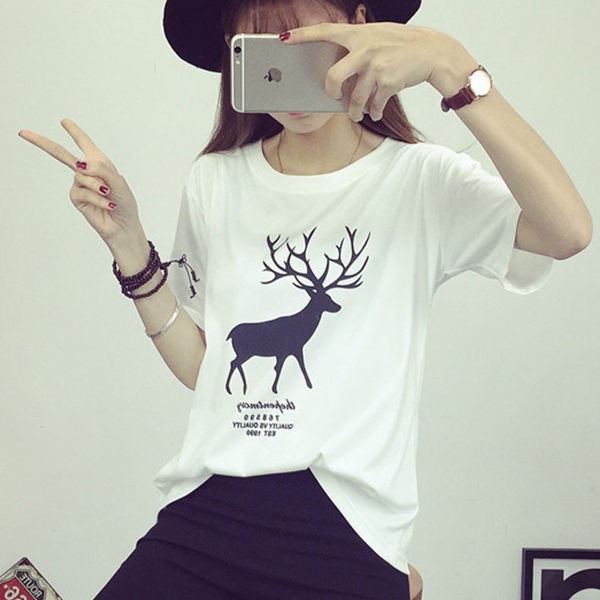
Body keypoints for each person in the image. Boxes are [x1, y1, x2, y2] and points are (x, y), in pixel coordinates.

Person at [18, 0, 591, 598]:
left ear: (360, 25)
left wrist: (451, 64)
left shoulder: (422, 179)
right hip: (207, 508)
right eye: (264, 50)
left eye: (309, 42)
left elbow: (568, 231)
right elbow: (206, 369)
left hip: (347, 525)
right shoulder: (216, 180)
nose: (291, 72)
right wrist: (130, 245)